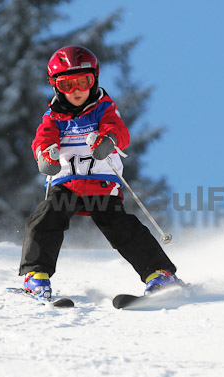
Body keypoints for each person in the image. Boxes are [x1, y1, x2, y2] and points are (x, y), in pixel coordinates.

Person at [19, 45, 179, 298]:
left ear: (95, 79)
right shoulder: (53, 117)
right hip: (67, 183)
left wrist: (108, 141)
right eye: (67, 85)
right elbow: (43, 138)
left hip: (100, 183)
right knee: (45, 218)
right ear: (55, 86)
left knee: (120, 226)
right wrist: (45, 154)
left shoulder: (104, 108)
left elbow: (118, 130)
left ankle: (160, 273)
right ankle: (36, 275)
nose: (76, 90)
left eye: (83, 81)